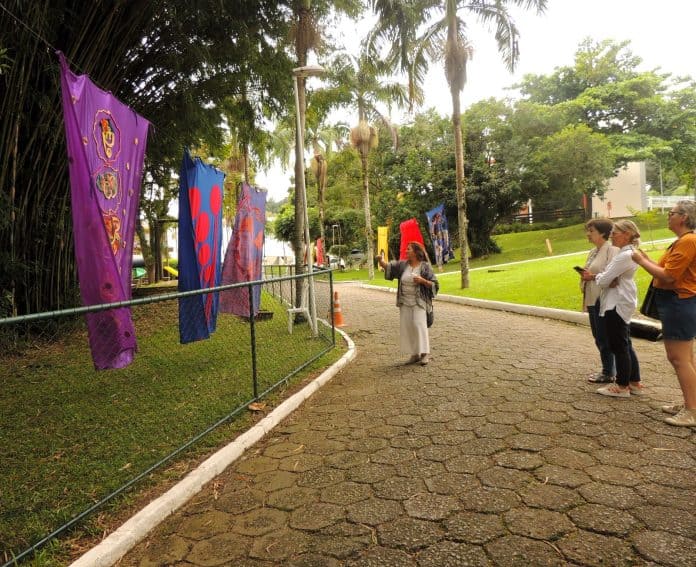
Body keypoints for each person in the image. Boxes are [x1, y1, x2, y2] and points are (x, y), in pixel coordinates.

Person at [632, 200, 696, 427]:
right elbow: (666, 270)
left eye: (671, 213)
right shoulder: (683, 241)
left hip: (679, 302)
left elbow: (669, 276)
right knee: (685, 358)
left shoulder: (688, 241)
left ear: (684, 217)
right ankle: (690, 403)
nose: (668, 216)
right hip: (678, 303)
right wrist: (647, 259)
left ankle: (692, 411)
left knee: (678, 358)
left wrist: (641, 261)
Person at [581, 220, 642, 398]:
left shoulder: (624, 255)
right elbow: (607, 277)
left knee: (618, 344)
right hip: (620, 300)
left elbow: (604, 280)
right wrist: (604, 276)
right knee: (624, 342)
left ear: (626, 234)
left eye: (615, 233)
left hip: (616, 302)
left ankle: (622, 386)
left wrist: (600, 277)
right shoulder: (628, 252)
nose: (611, 236)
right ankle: (634, 382)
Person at [377, 241, 438, 366]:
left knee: (418, 325)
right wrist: (380, 261)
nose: (406, 251)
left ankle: (425, 354)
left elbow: (435, 284)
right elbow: (389, 267)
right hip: (404, 301)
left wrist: (422, 281)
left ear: (415, 252)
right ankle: (415, 354)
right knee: (408, 327)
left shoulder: (425, 267)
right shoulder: (402, 265)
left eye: (409, 249)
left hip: (419, 301)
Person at [580, 219, 618, 384]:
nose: (588, 234)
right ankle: (609, 369)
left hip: (604, 300)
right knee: (598, 336)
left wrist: (592, 276)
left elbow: (613, 276)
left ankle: (609, 372)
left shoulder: (611, 250)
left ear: (603, 233)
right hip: (591, 298)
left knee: (604, 336)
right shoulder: (593, 252)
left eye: (591, 231)